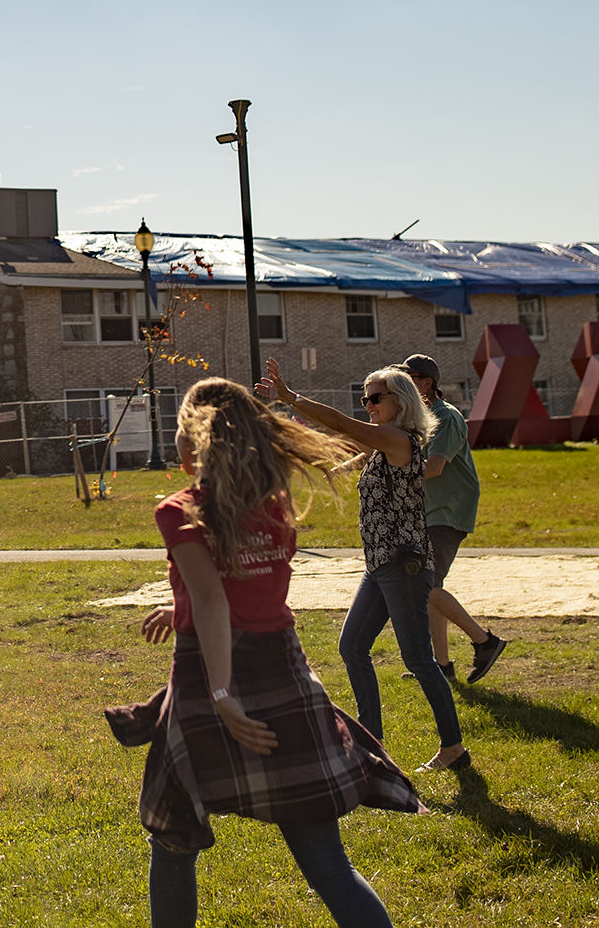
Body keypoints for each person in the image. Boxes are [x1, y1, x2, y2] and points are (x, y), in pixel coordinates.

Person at [116, 377, 415, 928]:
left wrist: (224, 695)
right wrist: (178, 607)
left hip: (210, 678)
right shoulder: (274, 505)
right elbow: (232, 591)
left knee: (174, 841)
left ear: (193, 443)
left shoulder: (180, 509)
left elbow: (213, 600)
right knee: (328, 864)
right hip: (285, 673)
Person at [259, 361, 466, 772]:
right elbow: (350, 445)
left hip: (403, 565)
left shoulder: (399, 438)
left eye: (374, 398)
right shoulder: (383, 445)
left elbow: (341, 425)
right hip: (380, 565)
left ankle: (454, 748)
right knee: (352, 647)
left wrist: (291, 398)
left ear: (400, 401)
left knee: (419, 660)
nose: (367, 404)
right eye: (364, 397)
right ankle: (372, 742)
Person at [398, 354, 505, 685]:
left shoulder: (446, 418)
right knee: (431, 587)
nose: (400, 386)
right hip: (431, 510)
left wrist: (395, 475)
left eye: (408, 378)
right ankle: (441, 667)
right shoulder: (418, 419)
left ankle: (485, 642)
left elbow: (435, 467)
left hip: (449, 510)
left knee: (426, 585)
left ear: (426, 382)